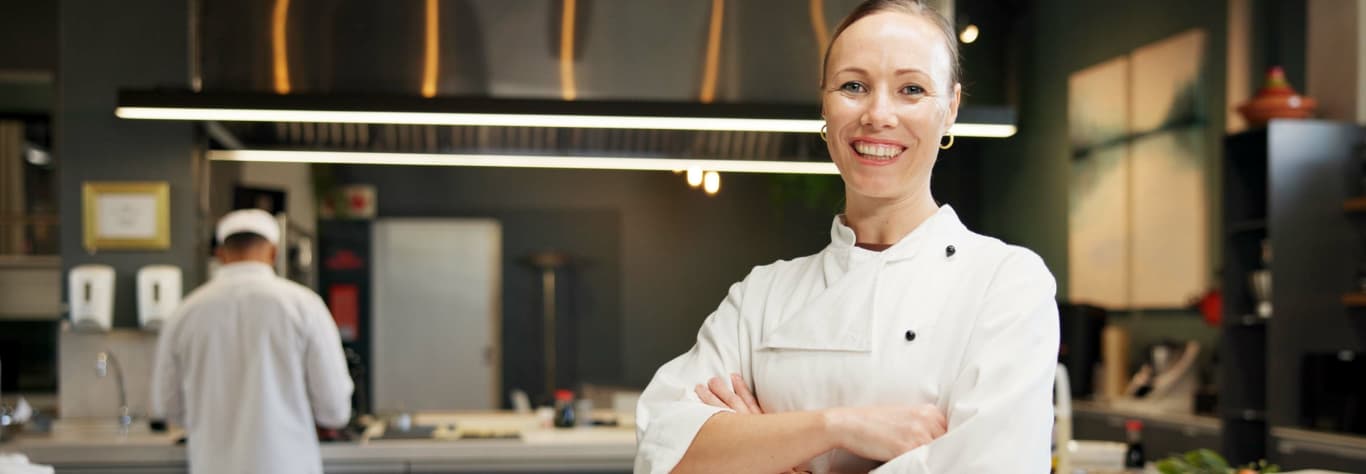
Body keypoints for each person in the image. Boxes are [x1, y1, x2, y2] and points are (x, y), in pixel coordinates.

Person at [633, 0, 1058, 472]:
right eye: (853, 86)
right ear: (825, 103)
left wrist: (765, 450)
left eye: (911, 89)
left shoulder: (1006, 284)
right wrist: (834, 426)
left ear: (951, 108)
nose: (878, 114)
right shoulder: (761, 297)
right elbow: (662, 448)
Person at [150, 209, 353, 474]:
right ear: (273, 252)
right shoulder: (305, 307)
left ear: (220, 253)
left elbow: (167, 408)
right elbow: (334, 409)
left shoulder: (185, 312)